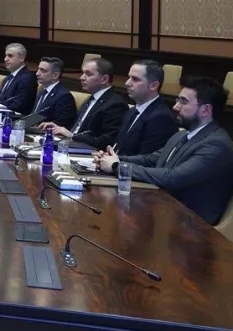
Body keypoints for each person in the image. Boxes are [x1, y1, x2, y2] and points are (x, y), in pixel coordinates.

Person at [95, 76, 233, 225]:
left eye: (183, 102)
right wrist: (112, 158)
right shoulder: (182, 135)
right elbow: (151, 159)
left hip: (192, 226)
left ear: (205, 110)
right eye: (177, 100)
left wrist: (117, 166)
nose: (175, 107)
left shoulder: (216, 145)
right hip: (163, 211)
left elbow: (172, 178)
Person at [42, 58, 127, 149]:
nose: (82, 78)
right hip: (71, 145)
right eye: (83, 73)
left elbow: (106, 142)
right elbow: (78, 127)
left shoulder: (115, 104)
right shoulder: (91, 98)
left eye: (88, 74)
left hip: (88, 152)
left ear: (104, 79)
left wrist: (72, 136)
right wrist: (58, 128)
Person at [107, 60, 178, 157]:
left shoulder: (161, 118)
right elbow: (119, 147)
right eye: (129, 77)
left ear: (153, 85)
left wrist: (113, 160)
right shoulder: (132, 111)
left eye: (135, 79)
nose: (127, 83)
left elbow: (146, 160)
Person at [29, 57, 76, 128]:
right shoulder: (42, 90)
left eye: (43, 70)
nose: (37, 73)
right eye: (38, 69)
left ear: (55, 75)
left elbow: (61, 125)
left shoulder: (64, 96)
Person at [0, 43, 36, 114]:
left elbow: (18, 106)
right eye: (5, 55)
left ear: (22, 58)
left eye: (10, 56)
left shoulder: (27, 78)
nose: (5, 59)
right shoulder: (7, 78)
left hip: (14, 117)